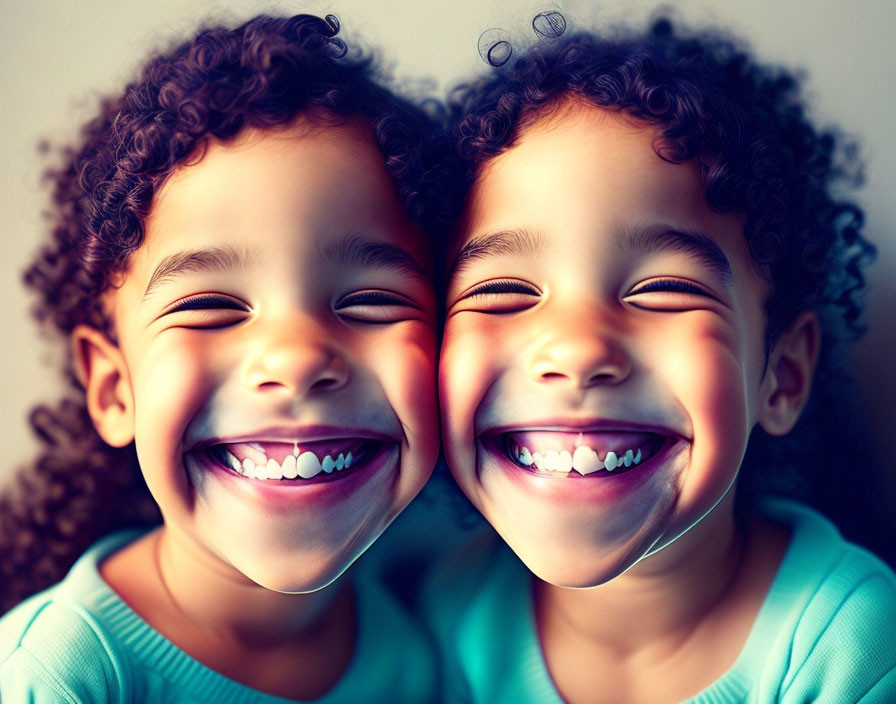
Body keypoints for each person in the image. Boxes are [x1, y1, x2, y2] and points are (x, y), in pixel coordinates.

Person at [429, 15, 896, 703]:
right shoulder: (442, 613)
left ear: (782, 375)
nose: (579, 350)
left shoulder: (848, 644)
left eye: (664, 291)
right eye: (504, 291)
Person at [0, 13, 441, 702]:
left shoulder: (414, 657)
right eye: (212, 308)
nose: (296, 357)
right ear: (116, 391)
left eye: (370, 303)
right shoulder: (61, 674)